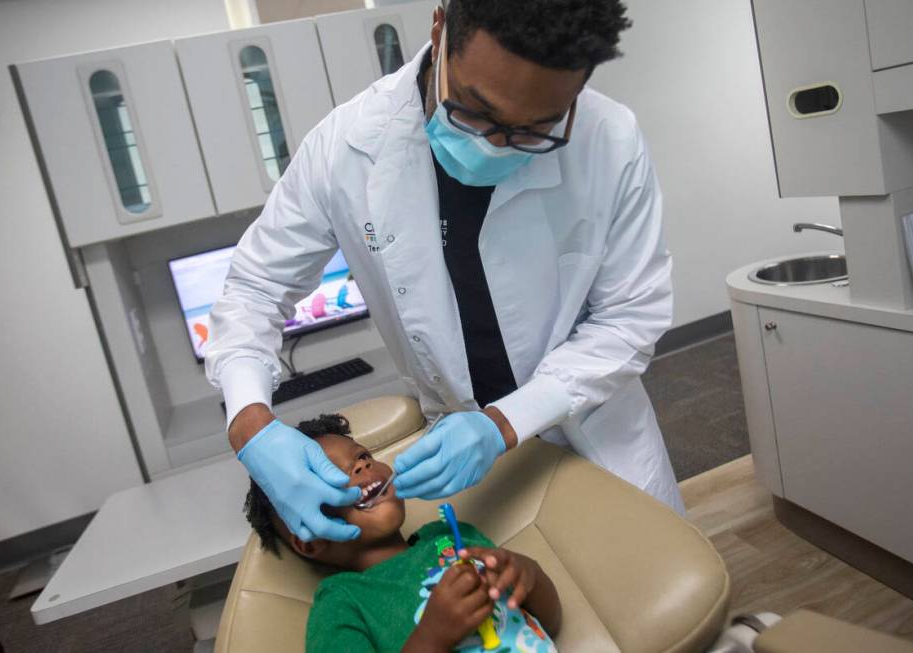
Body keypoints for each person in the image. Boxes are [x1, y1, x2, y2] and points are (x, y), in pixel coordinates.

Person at [206, 0, 682, 548]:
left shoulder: (609, 139)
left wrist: (504, 422)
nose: (495, 145)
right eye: (476, 112)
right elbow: (254, 289)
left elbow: (629, 317)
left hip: (594, 428)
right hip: (462, 461)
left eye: (535, 130)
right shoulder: (346, 148)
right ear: (440, 29)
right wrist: (252, 427)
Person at [243, 413, 562, 652]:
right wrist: (432, 637)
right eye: (332, 476)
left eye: (363, 456)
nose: (361, 468)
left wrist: (527, 575)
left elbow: (551, 623)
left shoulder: (452, 536)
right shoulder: (342, 600)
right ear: (309, 540)